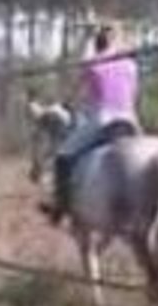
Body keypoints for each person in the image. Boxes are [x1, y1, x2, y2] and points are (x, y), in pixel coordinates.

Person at [40, 20, 140, 225]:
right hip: (130, 120)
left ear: (97, 42)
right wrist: (117, 35)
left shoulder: (95, 64)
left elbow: (85, 61)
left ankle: (61, 206)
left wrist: (89, 34)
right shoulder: (130, 66)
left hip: (103, 120)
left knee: (62, 156)